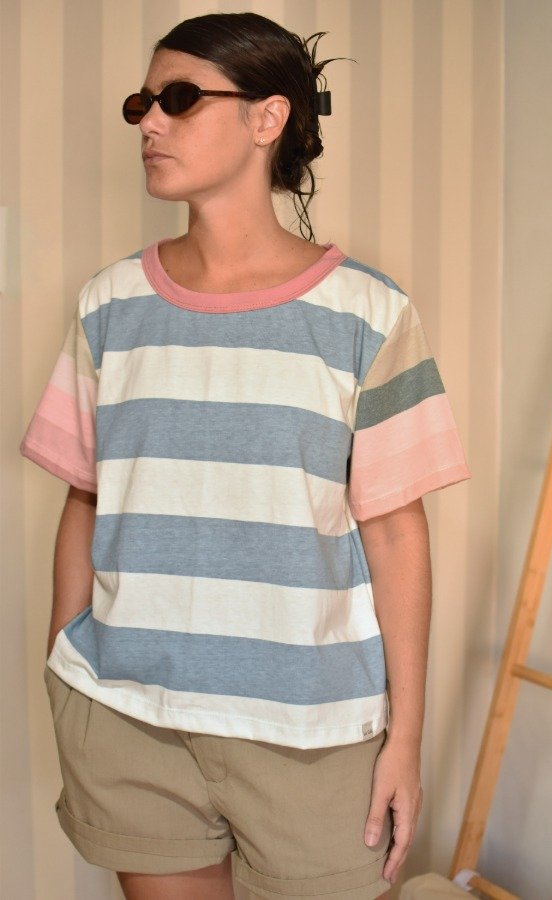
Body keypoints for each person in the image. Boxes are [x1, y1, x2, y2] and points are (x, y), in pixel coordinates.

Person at [19, 12, 471, 900]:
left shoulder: (368, 313)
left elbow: (395, 533)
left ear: (269, 118)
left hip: (312, 731)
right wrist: (62, 667)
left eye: (180, 98)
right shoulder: (109, 304)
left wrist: (406, 739)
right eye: (143, 103)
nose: (150, 122)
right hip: (128, 716)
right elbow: (85, 496)